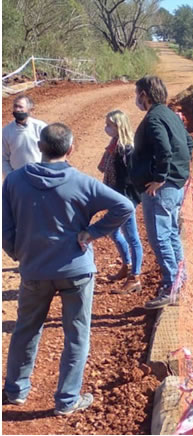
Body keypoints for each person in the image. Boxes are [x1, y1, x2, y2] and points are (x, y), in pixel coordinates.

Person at [2, 123, 134, 415]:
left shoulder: (13, 181)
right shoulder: (83, 183)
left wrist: (18, 253)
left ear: (39, 146)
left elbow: (6, 227)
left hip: (34, 269)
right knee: (77, 335)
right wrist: (92, 233)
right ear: (71, 149)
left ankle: (15, 390)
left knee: (25, 330)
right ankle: (66, 400)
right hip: (76, 270)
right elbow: (125, 206)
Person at [130, 75, 193, 310]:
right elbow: (189, 143)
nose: (136, 99)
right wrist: (179, 173)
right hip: (175, 185)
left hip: (162, 189)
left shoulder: (155, 118)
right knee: (171, 234)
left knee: (159, 236)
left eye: (137, 94)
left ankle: (170, 286)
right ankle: (179, 278)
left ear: (144, 95)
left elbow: (164, 149)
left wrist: (159, 178)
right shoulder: (169, 114)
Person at [98, 110, 143, 294]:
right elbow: (103, 168)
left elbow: (131, 178)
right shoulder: (114, 144)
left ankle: (135, 277)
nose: (106, 128)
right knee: (114, 232)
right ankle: (127, 265)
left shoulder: (127, 149)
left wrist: (125, 201)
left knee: (132, 236)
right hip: (114, 197)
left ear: (118, 127)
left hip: (124, 199)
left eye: (109, 125)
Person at [2, 95, 47, 178]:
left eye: (20, 107)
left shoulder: (40, 127)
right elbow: (3, 158)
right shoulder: (6, 131)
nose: (17, 109)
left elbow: (50, 153)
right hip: (18, 179)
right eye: (15, 106)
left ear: (29, 110)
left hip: (39, 176)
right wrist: (10, 176)